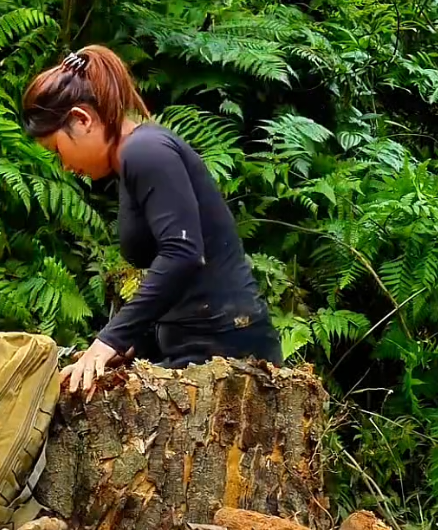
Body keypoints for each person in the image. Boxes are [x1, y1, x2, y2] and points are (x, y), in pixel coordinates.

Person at [21, 45, 282, 394]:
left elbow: (183, 253)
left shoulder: (147, 152)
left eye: (57, 150)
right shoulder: (132, 158)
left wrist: (110, 339)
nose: (65, 167)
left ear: (82, 119)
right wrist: (134, 341)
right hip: (192, 341)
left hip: (225, 350)